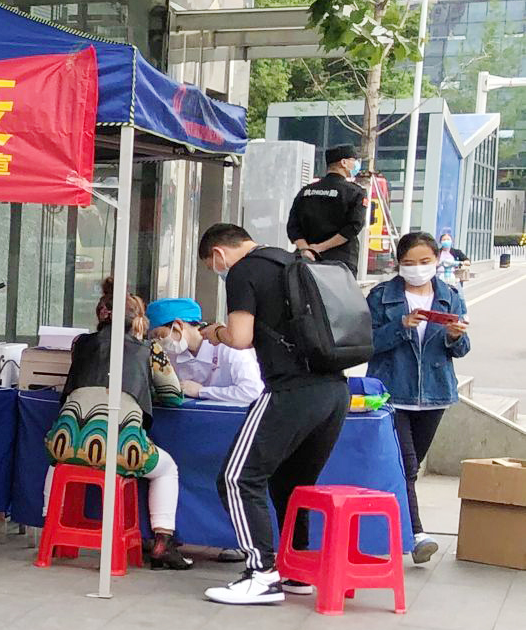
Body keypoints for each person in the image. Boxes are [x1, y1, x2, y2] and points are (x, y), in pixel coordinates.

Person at [198, 223, 354, 605]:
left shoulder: (243, 271)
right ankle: (296, 571)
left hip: (292, 390)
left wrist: (214, 332)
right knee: (290, 482)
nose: (217, 271)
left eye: (211, 266)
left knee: (236, 477)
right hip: (335, 389)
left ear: (218, 254)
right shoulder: (292, 262)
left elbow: (240, 337)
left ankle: (261, 574)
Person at [50, 281, 193, 571]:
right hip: (122, 449)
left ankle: (51, 530)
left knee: (58, 464)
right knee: (167, 469)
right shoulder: (150, 349)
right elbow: (173, 395)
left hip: (64, 444)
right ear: (138, 319)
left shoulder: (80, 344)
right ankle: (163, 541)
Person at [369, 230, 470, 564]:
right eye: (409, 263)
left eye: (424, 261)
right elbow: (367, 343)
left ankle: (389, 526)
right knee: (407, 465)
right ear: (399, 263)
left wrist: (455, 336)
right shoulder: (381, 296)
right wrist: (402, 325)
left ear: (437, 260)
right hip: (391, 393)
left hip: (435, 394)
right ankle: (416, 534)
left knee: (407, 469)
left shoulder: (449, 296)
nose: (417, 268)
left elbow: (462, 349)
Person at [147, 297, 263, 404]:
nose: (159, 341)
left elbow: (252, 391)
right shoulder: (172, 354)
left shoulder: (228, 347)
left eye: (159, 334)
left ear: (178, 325)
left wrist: (202, 391)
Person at [286, 145, 368, 276]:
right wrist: (319, 248)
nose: (356, 164)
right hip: (340, 261)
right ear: (343, 162)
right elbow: (353, 227)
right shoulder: (355, 192)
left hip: (306, 261)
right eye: (354, 160)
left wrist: (306, 249)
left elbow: (292, 227)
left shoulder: (305, 192)